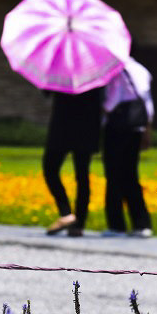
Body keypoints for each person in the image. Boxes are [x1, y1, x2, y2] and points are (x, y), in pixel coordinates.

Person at [101, 57, 154, 238]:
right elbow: (147, 102)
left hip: (117, 128)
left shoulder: (115, 71)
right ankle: (141, 224)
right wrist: (147, 128)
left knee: (113, 175)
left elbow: (112, 101)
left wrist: (103, 107)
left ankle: (117, 225)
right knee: (131, 175)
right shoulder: (141, 69)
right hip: (136, 126)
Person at [42, 87, 103, 237]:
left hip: (62, 125)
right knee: (82, 175)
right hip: (86, 127)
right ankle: (78, 224)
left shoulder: (60, 71)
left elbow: (46, 91)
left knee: (50, 169)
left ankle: (66, 213)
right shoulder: (92, 72)